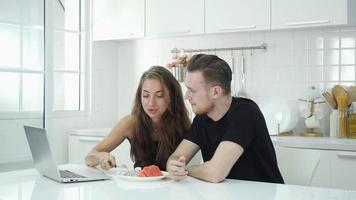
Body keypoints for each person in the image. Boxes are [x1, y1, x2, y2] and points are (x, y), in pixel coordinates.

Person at [167, 54, 284, 183]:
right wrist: (174, 166)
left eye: (192, 91)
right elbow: (176, 157)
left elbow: (215, 173)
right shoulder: (202, 118)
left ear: (216, 92)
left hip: (264, 194)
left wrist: (187, 170)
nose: (186, 96)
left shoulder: (246, 113)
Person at [85, 66, 191, 171]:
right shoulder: (130, 123)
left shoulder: (184, 126)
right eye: (145, 95)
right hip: (139, 186)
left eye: (159, 96)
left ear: (172, 97)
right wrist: (101, 157)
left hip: (173, 186)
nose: (151, 103)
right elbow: (89, 157)